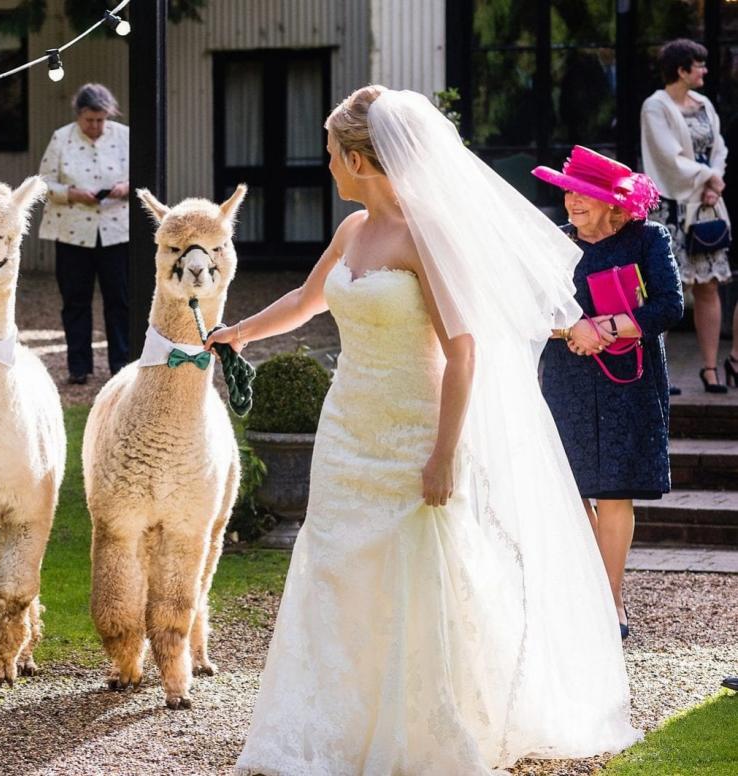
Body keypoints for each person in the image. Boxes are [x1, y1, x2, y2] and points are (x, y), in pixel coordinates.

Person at [210, 87, 640, 774]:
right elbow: (306, 299)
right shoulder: (352, 232)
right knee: (335, 568)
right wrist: (237, 332)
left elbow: (464, 349)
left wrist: (444, 453)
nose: (326, 167)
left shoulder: (425, 236)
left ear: (361, 160)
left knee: (423, 574)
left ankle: (429, 726)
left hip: (415, 429)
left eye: (331, 156)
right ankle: (335, 723)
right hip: (348, 427)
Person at [533, 147, 683, 642]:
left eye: (584, 195)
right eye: (568, 192)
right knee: (572, 487)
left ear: (612, 203)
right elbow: (530, 306)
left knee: (616, 488)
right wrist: (571, 328)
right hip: (567, 378)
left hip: (631, 383)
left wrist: (610, 326)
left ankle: (610, 600)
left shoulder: (648, 239)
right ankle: (589, 594)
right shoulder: (554, 244)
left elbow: (669, 305)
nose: (571, 202)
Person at [641, 38, 736, 393]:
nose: (705, 71)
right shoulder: (655, 106)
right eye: (699, 65)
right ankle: (659, 373)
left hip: (706, 205)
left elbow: (719, 148)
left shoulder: (705, 105)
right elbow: (667, 156)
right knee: (667, 288)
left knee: (708, 286)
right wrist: (707, 178)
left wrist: (715, 180)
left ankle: (710, 369)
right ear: (681, 70)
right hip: (671, 207)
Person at [37, 83, 130, 385]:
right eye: (90, 120)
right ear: (79, 115)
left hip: (117, 231)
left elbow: (143, 173)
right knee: (75, 300)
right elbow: (43, 183)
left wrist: (124, 188)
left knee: (120, 299)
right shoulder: (61, 138)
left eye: (101, 120)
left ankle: (122, 363)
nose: (95, 126)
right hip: (73, 232)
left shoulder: (124, 136)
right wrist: (72, 193)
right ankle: (79, 366)